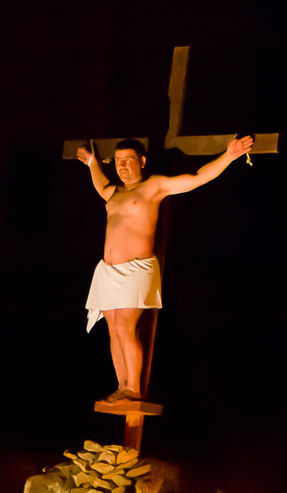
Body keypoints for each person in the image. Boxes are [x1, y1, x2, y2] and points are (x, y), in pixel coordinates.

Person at [76, 134, 254, 402]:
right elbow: (100, 183)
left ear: (142, 161)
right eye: (119, 162)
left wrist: (229, 155)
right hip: (108, 272)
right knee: (113, 329)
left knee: (126, 327)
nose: (122, 166)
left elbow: (195, 178)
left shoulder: (153, 187)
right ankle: (121, 386)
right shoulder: (112, 193)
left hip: (136, 268)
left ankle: (132, 389)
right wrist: (92, 162)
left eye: (129, 160)